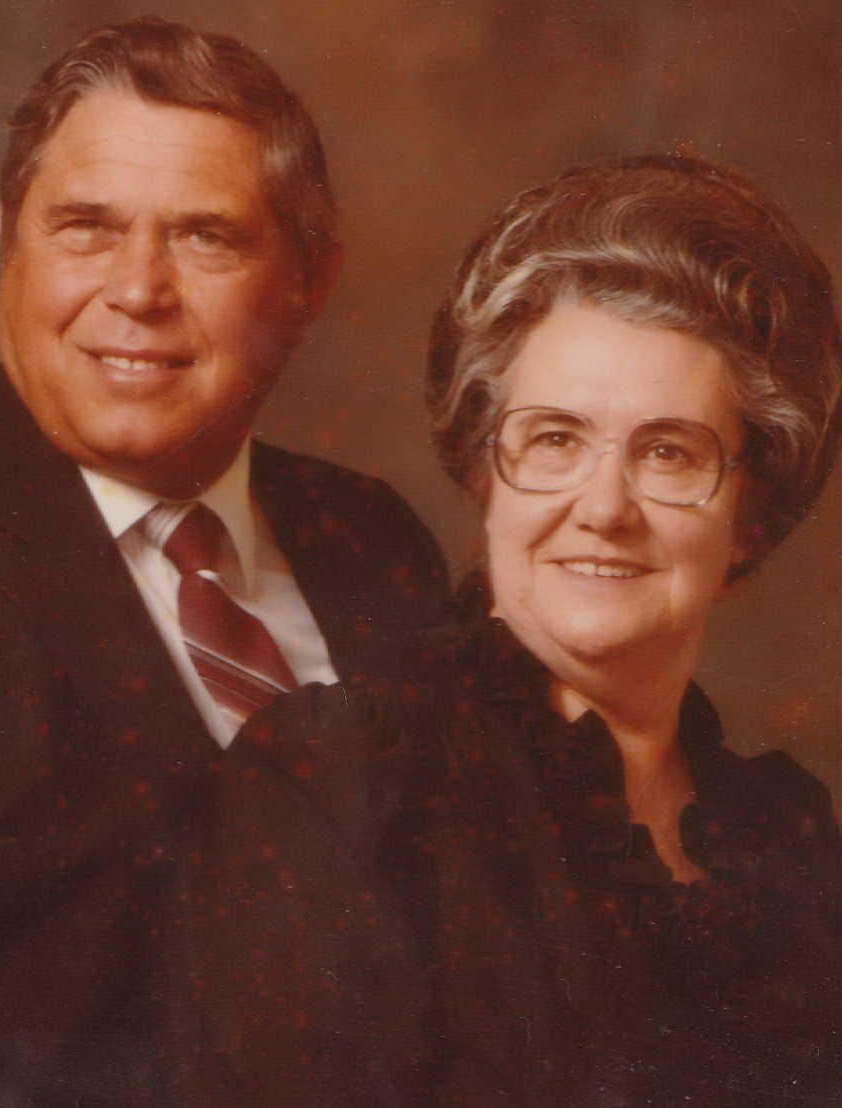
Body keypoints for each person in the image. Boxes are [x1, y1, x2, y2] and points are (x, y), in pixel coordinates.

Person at [0, 17, 446, 1104]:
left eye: (205, 237)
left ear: (311, 277)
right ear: (9, 240)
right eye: (85, 228)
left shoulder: (374, 542)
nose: (138, 289)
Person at [230, 155, 841, 1105]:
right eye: (555, 438)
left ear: (750, 517)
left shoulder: (785, 836)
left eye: (669, 452)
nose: (603, 508)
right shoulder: (343, 785)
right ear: (484, 471)